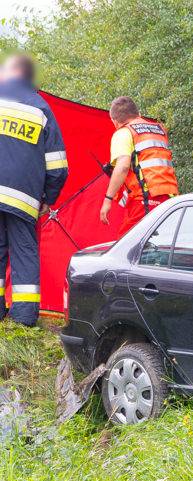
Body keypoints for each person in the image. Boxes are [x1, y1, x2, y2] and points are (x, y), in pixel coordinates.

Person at [0, 54, 68, 327]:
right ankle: (23, 318)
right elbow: (58, 166)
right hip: (23, 197)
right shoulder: (41, 108)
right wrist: (48, 199)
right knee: (24, 253)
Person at [99, 96, 178, 234]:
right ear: (139, 114)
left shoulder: (124, 132)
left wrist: (108, 199)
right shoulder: (159, 130)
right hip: (170, 198)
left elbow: (123, 166)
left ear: (115, 121)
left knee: (125, 248)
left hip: (145, 199)